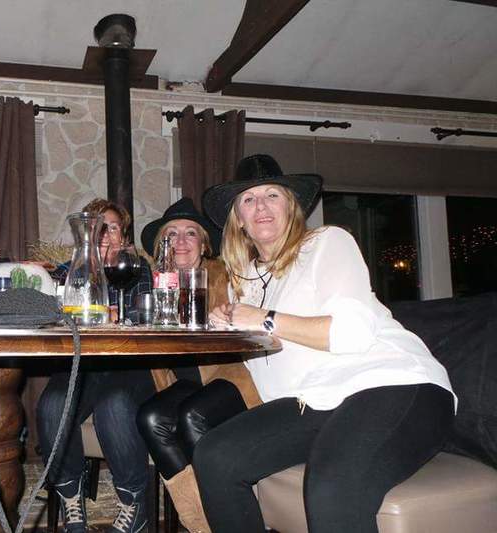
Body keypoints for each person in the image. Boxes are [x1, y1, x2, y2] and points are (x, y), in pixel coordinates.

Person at [183, 153, 455, 532]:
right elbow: (267, 363)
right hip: (315, 400)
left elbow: (351, 333)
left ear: (291, 207)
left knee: (331, 486)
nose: (261, 206)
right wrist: (226, 327)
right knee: (214, 456)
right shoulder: (241, 281)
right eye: (249, 199)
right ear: (238, 220)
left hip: (393, 384)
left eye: (272, 195)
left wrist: (262, 318)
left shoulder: (327, 242)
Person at [135, 196, 259, 533]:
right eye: (171, 234)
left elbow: (249, 304)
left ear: (204, 245)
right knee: (150, 417)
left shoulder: (224, 274)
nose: (181, 241)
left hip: (230, 378)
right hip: (186, 383)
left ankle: (230, 517)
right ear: (161, 246)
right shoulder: (155, 285)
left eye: (191, 233)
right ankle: (202, 525)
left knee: (192, 416)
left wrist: (230, 313)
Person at [37, 198, 153, 533]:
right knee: (51, 405)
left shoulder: (136, 268)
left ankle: (134, 503)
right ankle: (70, 496)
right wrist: (36, 275)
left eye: (112, 228)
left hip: (127, 365)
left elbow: (144, 316)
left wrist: (122, 316)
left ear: (123, 237)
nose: (104, 234)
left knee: (113, 407)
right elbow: (51, 310)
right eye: (98, 228)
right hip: (82, 365)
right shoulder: (70, 271)